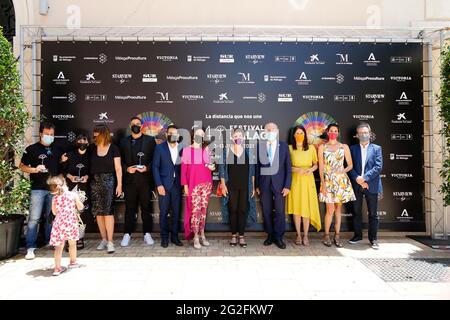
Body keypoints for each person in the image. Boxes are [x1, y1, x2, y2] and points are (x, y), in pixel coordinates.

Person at [19, 122, 63, 260]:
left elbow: (60, 168)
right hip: (37, 189)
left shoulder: (57, 149)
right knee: (34, 219)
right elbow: (21, 166)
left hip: (53, 190)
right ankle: (30, 247)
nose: (49, 137)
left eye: (51, 135)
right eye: (47, 134)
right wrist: (34, 169)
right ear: (40, 134)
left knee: (51, 218)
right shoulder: (31, 149)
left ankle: (51, 242)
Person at [120, 117, 156, 247]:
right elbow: (120, 162)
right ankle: (127, 234)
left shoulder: (150, 140)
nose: (136, 126)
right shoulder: (123, 142)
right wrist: (126, 169)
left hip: (145, 181)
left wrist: (148, 168)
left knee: (146, 208)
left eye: (138, 124)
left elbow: (155, 160)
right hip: (129, 181)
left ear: (142, 126)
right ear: (130, 126)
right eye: (133, 124)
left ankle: (147, 233)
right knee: (130, 209)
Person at [318, 123, 356, 247]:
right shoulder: (322, 147)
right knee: (330, 209)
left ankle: (337, 236)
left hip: (341, 182)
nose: (333, 133)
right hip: (328, 181)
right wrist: (323, 184)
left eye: (335, 131)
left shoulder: (344, 147)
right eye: (331, 131)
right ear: (328, 132)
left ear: (338, 133)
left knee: (338, 209)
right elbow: (321, 167)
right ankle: (326, 235)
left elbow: (350, 165)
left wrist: (342, 171)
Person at [256, 122, 292, 249]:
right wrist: (257, 185)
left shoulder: (284, 146)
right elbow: (257, 167)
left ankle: (279, 237)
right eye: (268, 129)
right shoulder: (260, 147)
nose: (271, 131)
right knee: (266, 212)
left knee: (280, 212)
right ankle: (270, 235)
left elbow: (288, 167)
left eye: (273, 129)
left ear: (277, 131)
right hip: (264, 184)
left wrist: (287, 186)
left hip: (280, 185)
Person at [218, 128, 256, 248]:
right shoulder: (226, 151)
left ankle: (242, 236)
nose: (237, 138)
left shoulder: (248, 151)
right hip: (231, 186)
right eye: (235, 135)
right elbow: (222, 169)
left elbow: (252, 172)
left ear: (243, 138)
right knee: (233, 210)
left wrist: (253, 187)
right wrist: (223, 185)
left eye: (240, 135)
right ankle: (233, 235)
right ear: (231, 137)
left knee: (243, 210)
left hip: (245, 185)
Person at [348, 123, 383, 249]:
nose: (363, 135)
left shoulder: (377, 148)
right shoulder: (352, 149)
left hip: (371, 185)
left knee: (373, 213)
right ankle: (357, 236)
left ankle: (373, 239)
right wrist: (357, 178)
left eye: (365, 133)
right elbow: (349, 167)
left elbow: (378, 167)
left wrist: (365, 178)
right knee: (356, 212)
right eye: (361, 133)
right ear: (357, 135)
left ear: (370, 133)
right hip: (356, 184)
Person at [286, 125, 321, 246]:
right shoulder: (290, 148)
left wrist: (311, 170)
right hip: (295, 180)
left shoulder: (311, 148)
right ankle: (298, 235)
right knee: (297, 209)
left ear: (305, 135)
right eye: (297, 133)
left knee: (306, 208)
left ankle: (306, 235)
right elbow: (286, 166)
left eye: (302, 133)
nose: (299, 135)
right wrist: (296, 170)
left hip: (308, 180)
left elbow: (316, 164)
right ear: (294, 135)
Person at [90, 125, 122, 253]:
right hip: (94, 183)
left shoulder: (114, 148)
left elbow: (118, 168)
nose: (94, 135)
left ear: (103, 134)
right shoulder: (92, 148)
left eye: (96, 133)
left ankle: (110, 242)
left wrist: (119, 185)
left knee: (108, 213)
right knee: (99, 213)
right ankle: (103, 239)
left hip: (109, 182)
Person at [181, 126, 215, 249]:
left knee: (203, 212)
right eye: (198, 134)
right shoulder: (186, 151)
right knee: (195, 212)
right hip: (193, 185)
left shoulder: (206, 150)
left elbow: (211, 166)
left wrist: (212, 167)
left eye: (202, 135)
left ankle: (202, 235)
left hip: (206, 185)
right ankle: (195, 236)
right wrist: (185, 185)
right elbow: (183, 170)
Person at [152, 124, 183, 248]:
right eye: (170, 133)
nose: (172, 135)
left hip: (177, 185)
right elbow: (155, 167)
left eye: (175, 133)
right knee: (163, 212)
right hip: (164, 185)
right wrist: (159, 184)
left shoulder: (182, 149)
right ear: (166, 134)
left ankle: (174, 237)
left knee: (176, 212)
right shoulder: (160, 148)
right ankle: (164, 238)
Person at [48, 175, 84, 276]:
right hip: (71, 222)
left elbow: (54, 212)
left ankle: (57, 268)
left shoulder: (54, 198)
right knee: (72, 243)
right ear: (65, 183)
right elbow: (80, 207)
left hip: (59, 223)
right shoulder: (73, 195)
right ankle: (73, 262)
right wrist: (80, 201)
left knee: (59, 247)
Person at [61, 132, 90, 250]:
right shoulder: (69, 154)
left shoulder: (91, 155)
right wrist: (70, 176)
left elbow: (93, 170)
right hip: (71, 188)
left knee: (82, 214)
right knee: (70, 214)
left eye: (84, 140)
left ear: (88, 142)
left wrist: (87, 177)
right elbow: (62, 170)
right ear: (76, 142)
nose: (82, 143)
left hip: (84, 189)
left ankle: (80, 238)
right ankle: (69, 239)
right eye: (80, 140)